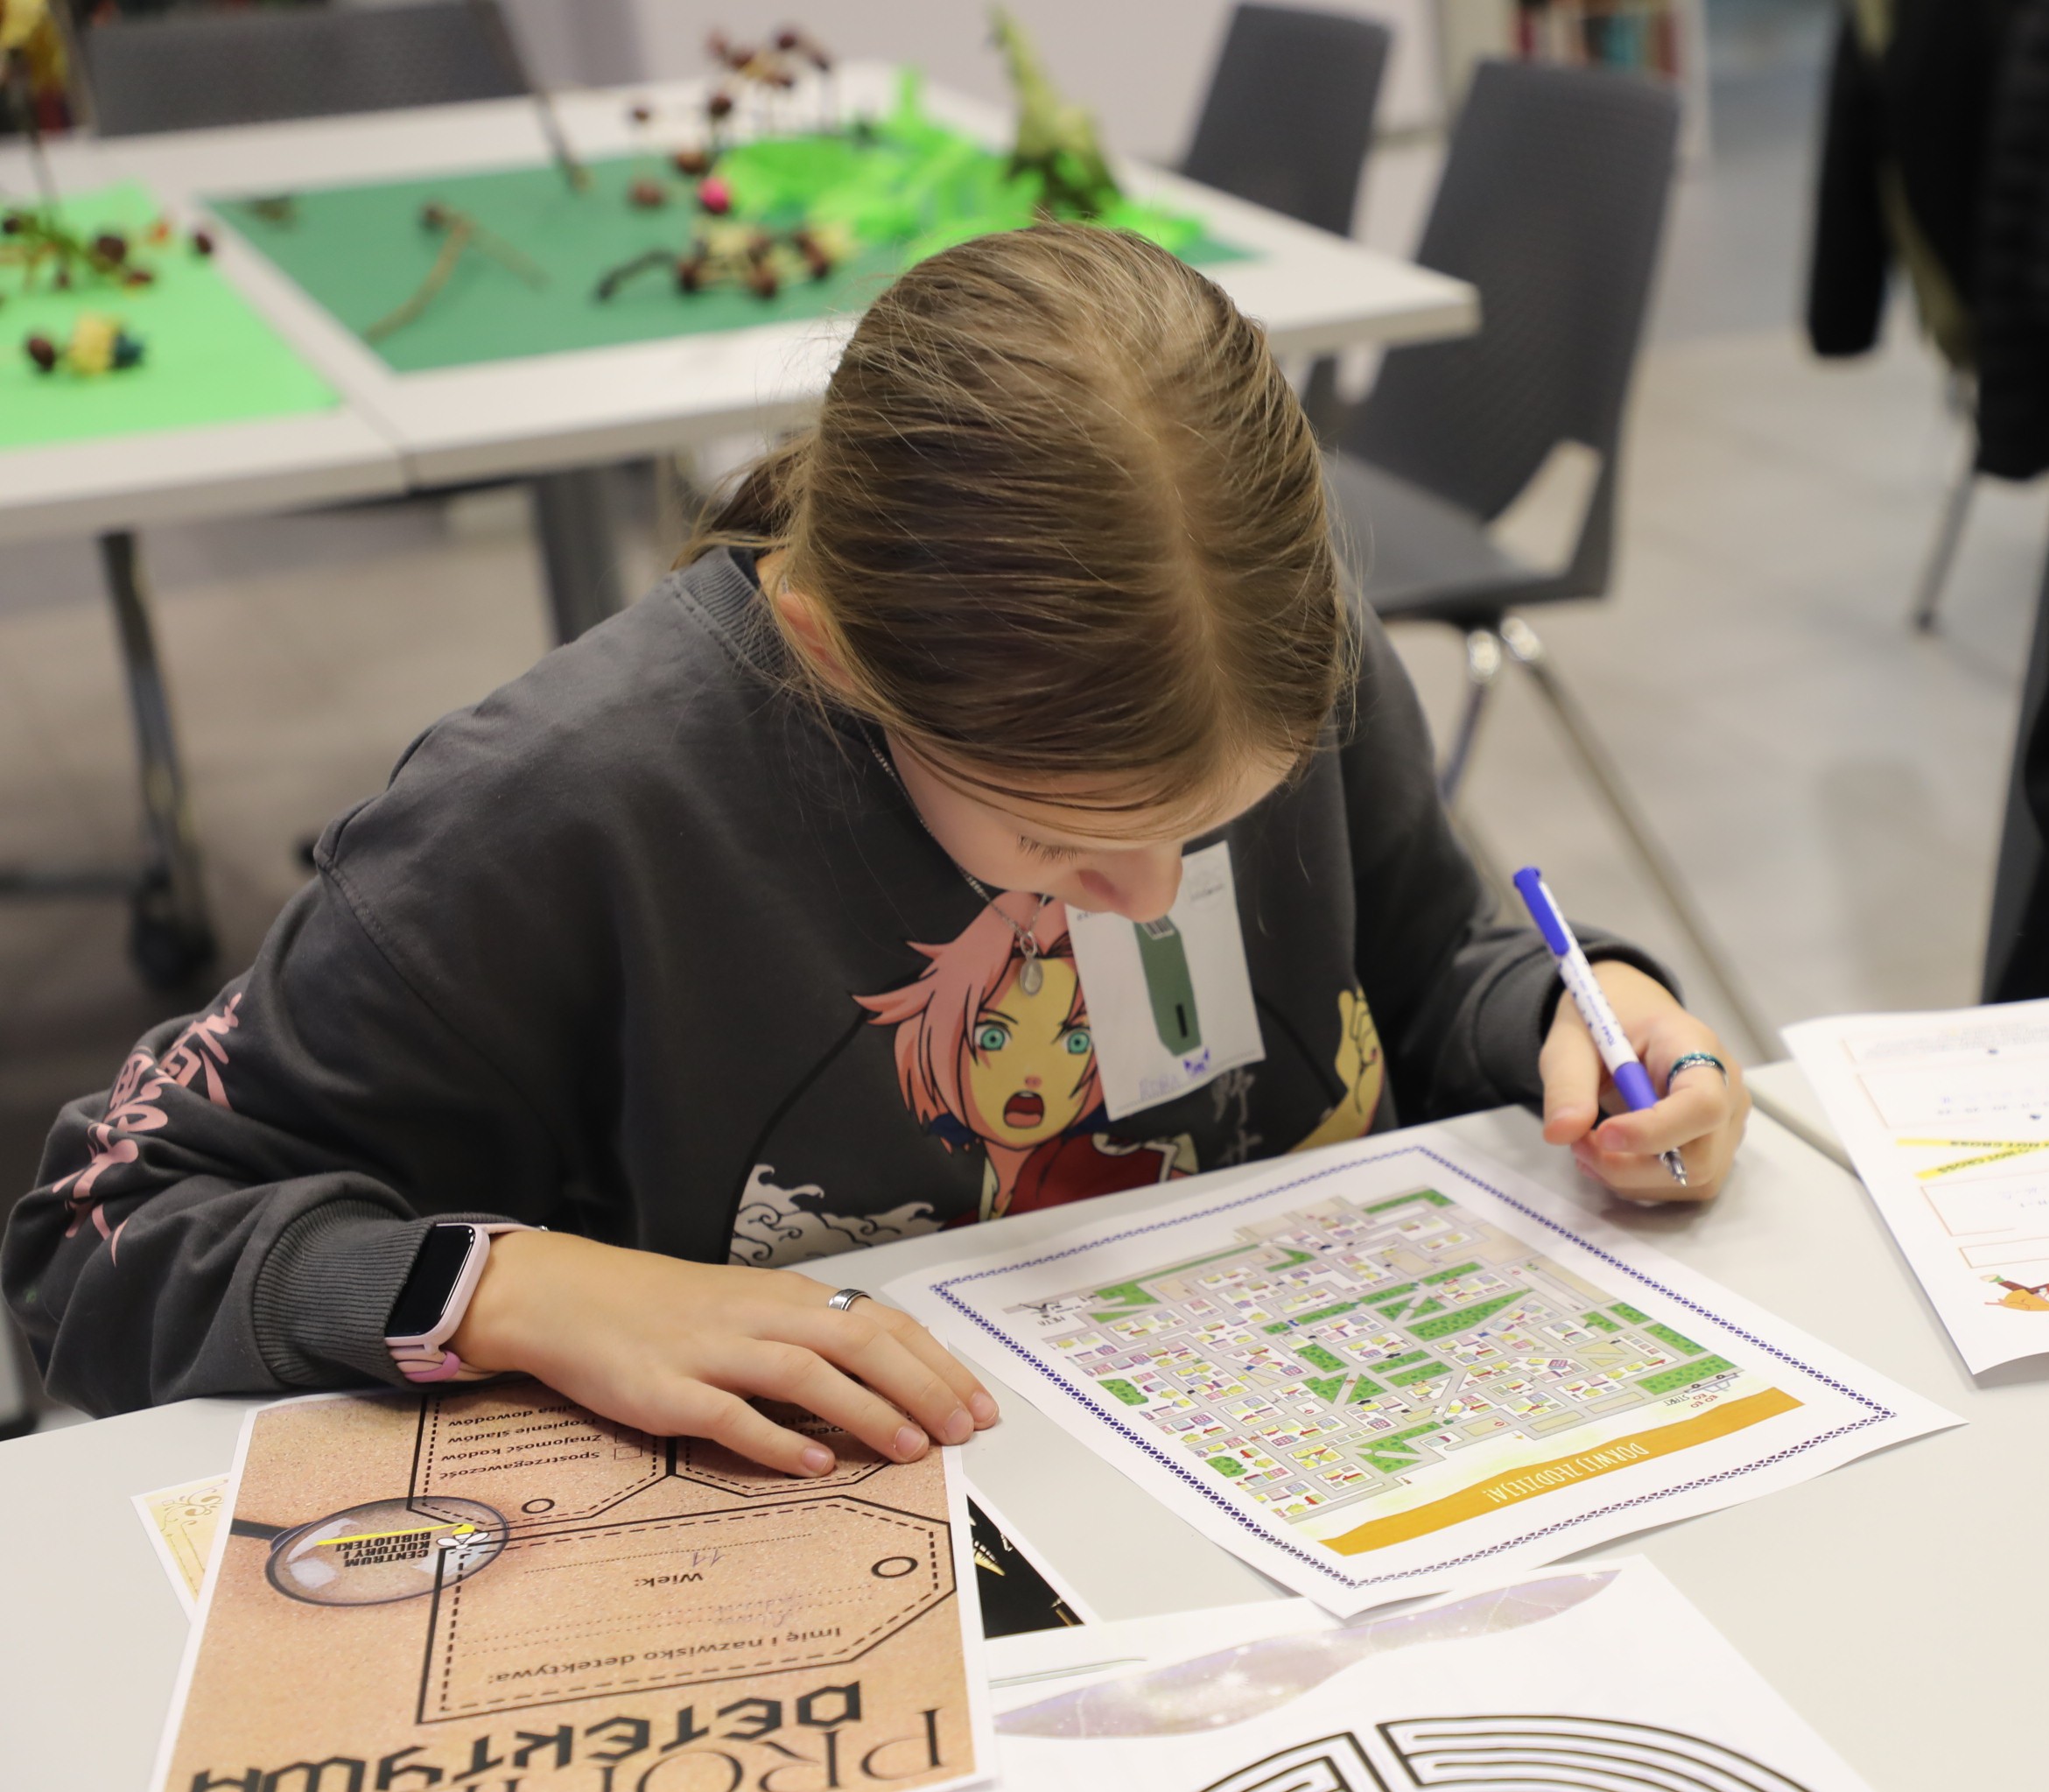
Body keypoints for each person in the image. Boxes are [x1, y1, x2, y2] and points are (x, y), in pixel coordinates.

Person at [0, 225, 1748, 1472]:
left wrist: (1580, 1016)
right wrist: (513, 1287)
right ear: (834, 652)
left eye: (1211, 821)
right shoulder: (555, 807)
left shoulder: (1276, 655)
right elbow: (96, 1235)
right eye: (1059, 840)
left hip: (1264, 1451)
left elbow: (1427, 966)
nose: (1152, 895)